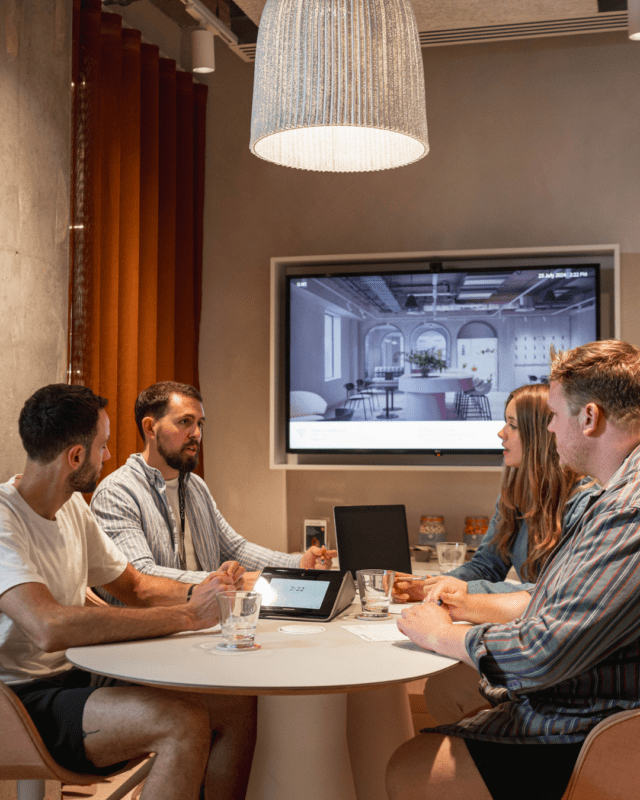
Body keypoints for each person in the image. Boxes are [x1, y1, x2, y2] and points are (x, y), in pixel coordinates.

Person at [387, 340, 640, 800]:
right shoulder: (613, 496)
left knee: (410, 769)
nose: (549, 428)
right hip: (590, 701)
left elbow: (542, 652)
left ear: (589, 419)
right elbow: (549, 599)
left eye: (553, 416)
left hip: (600, 726)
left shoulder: (629, 509)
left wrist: (442, 633)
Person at [0, 384, 256, 800]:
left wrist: (206, 592)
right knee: (182, 723)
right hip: (20, 702)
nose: (107, 456)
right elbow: (48, 626)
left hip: (76, 677)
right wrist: (189, 616)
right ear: (76, 457)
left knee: (236, 705)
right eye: (102, 447)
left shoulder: (71, 509)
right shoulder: (3, 521)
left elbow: (135, 586)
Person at [396, 384, 597, 723]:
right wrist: (432, 584)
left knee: (449, 689)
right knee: (443, 687)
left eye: (512, 425)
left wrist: (459, 593)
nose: (500, 433)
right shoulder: (517, 492)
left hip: (554, 648)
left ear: (540, 433)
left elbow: (548, 593)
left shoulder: (585, 502)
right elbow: (486, 564)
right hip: (523, 628)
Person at [91, 382, 336, 601]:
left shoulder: (196, 486)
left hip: (204, 622)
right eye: (185, 422)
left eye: (200, 424)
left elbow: (235, 549)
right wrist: (226, 581)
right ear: (150, 428)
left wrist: (297, 563)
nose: (196, 434)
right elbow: (142, 576)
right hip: (150, 635)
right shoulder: (116, 493)